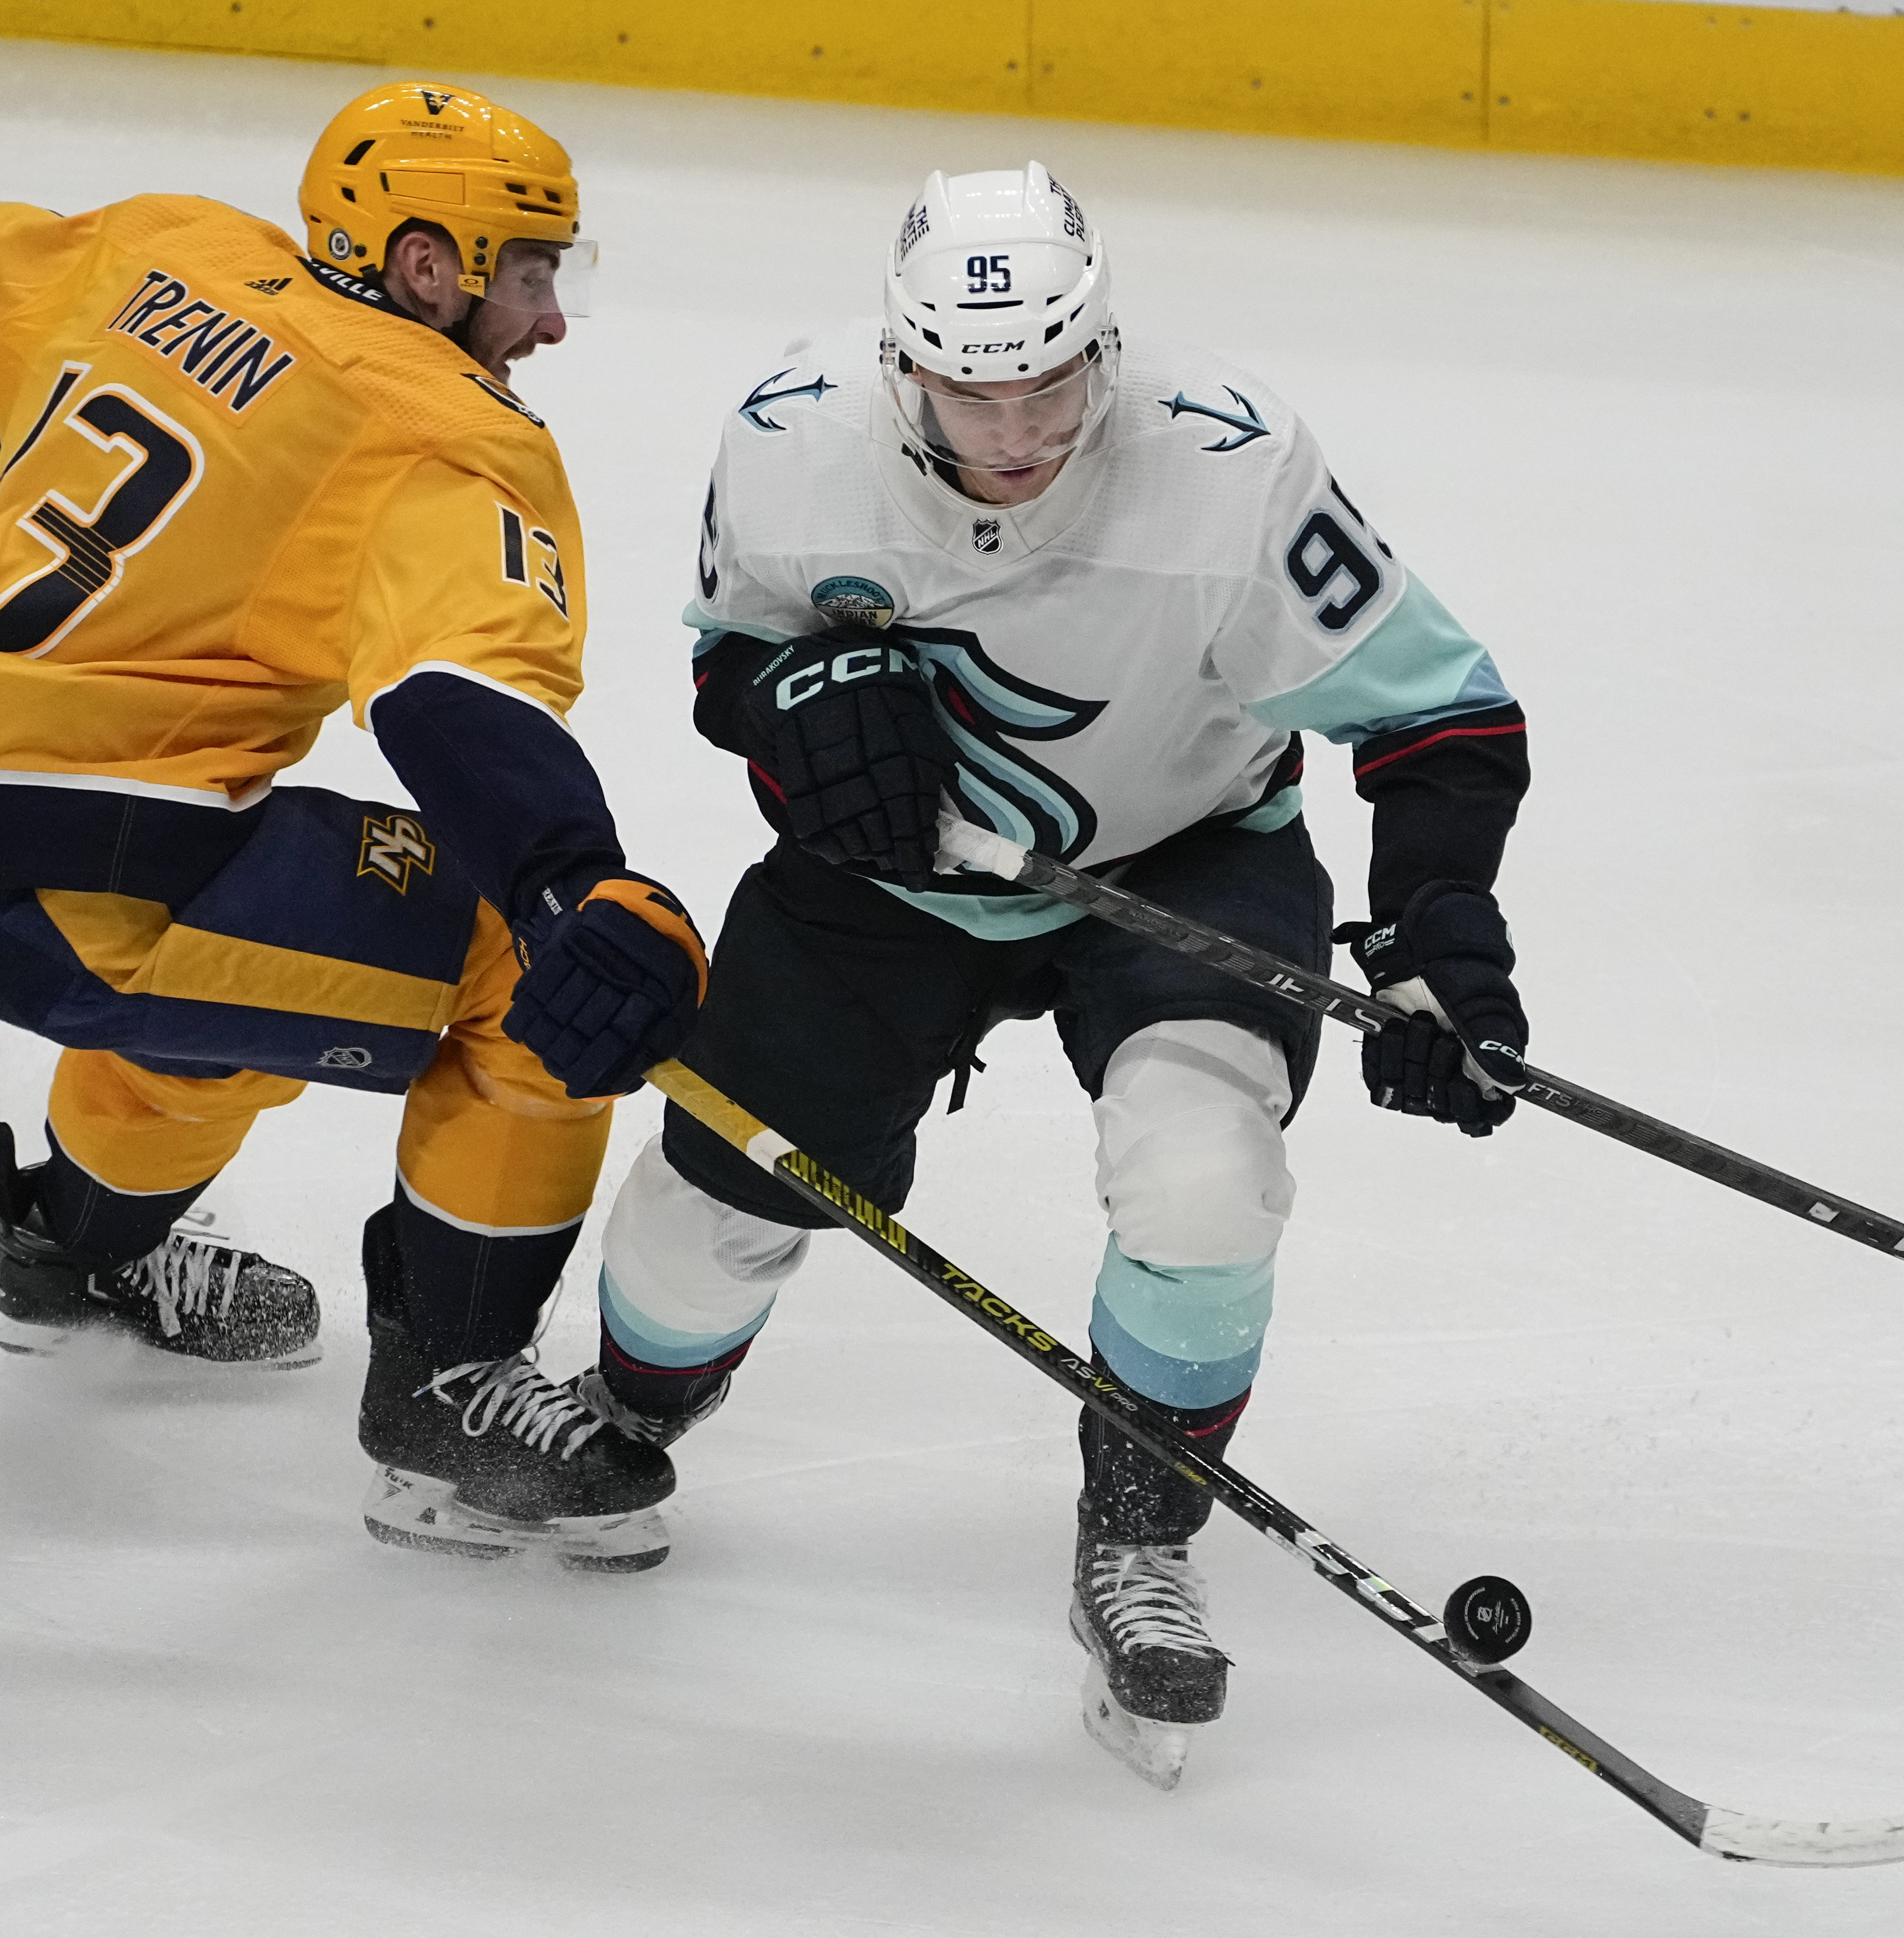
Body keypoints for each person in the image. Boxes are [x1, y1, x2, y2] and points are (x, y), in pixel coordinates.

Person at [586, 164, 1534, 1777]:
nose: (1018, 431)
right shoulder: (789, 433)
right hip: (886, 886)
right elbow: (726, 654)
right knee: (717, 1205)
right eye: (972, 390)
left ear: (1105, 344)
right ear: (904, 364)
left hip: (1189, 851)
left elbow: (1441, 713)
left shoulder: (1235, 469)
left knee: (1204, 1180)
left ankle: (1143, 1531)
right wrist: (786, 706)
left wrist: (1442, 942)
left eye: (1052, 383)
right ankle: (627, 1417)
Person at [0, 80, 710, 1572]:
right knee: (508, 973)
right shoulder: (441, 434)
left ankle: (76, 1250)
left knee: (262, 943)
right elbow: (455, 695)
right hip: (79, 868)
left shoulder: (169, 251)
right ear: (428, 266)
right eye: (534, 273)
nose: (552, 320)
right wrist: (569, 889)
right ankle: (451, 1408)